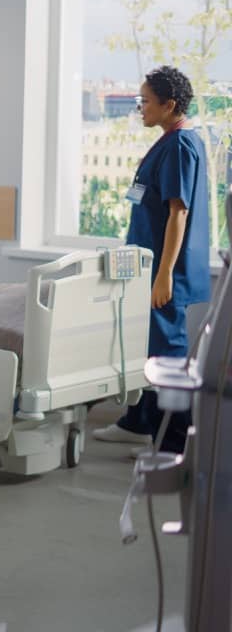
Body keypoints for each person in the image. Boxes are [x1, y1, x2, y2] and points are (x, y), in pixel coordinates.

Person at [92, 66, 210, 455]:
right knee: (145, 348)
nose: (139, 107)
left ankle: (174, 445)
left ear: (169, 104)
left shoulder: (179, 145)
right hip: (151, 267)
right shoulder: (169, 139)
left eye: (144, 101)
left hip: (165, 273)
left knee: (167, 358)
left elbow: (179, 214)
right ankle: (137, 422)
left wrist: (163, 277)